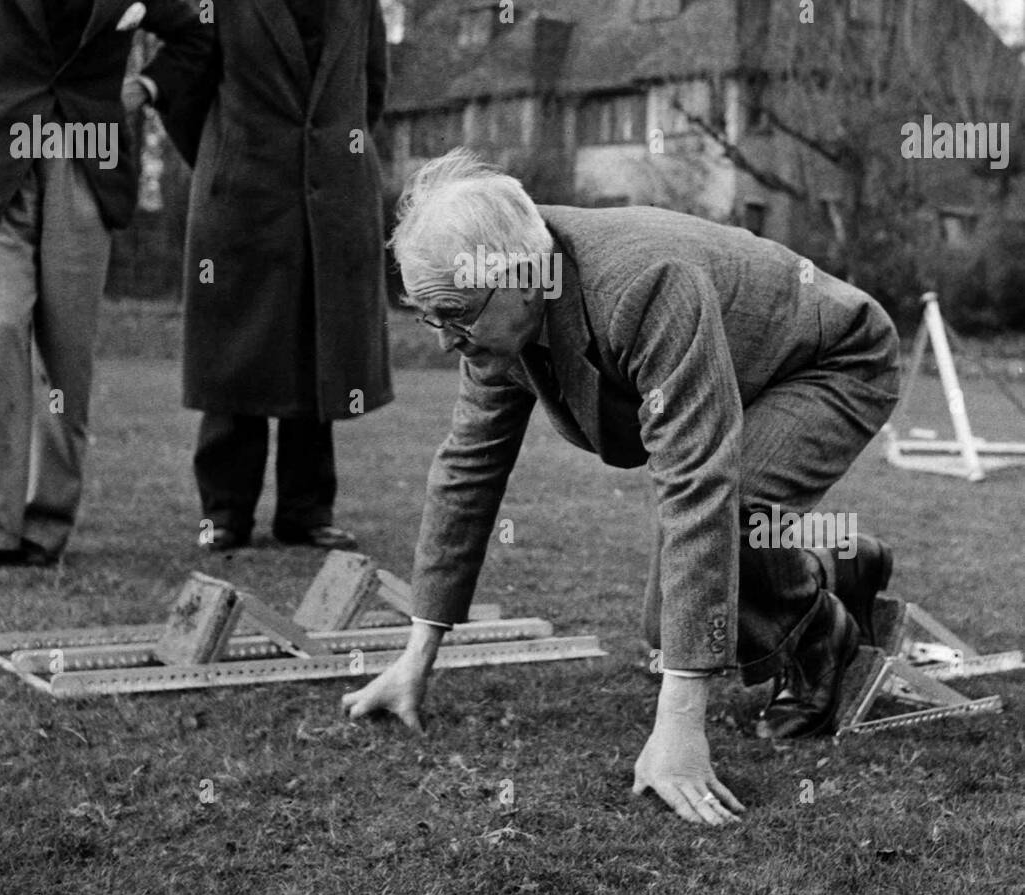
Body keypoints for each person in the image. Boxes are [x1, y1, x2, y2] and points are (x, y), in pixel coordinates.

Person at [343, 150, 901, 824]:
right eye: (433, 318)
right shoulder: (500, 317)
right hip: (749, 377)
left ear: (523, 276)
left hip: (832, 362)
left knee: (732, 517)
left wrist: (680, 728)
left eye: (456, 315)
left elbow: (699, 484)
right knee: (673, 618)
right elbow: (468, 471)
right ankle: (837, 563)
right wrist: (415, 656)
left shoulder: (643, 284)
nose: (445, 342)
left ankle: (820, 639)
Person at [157, 0, 392, 554]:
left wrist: (331, 159)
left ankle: (305, 513)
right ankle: (224, 513)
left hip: (330, 205)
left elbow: (369, 93)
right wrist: (225, 162)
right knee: (235, 361)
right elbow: (181, 93)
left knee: (319, 361)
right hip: (239, 206)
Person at [0, 0, 212, 568]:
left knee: (67, 361)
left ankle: (46, 527)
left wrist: (145, 89)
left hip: (86, 171)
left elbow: (193, 39)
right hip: (1, 170)